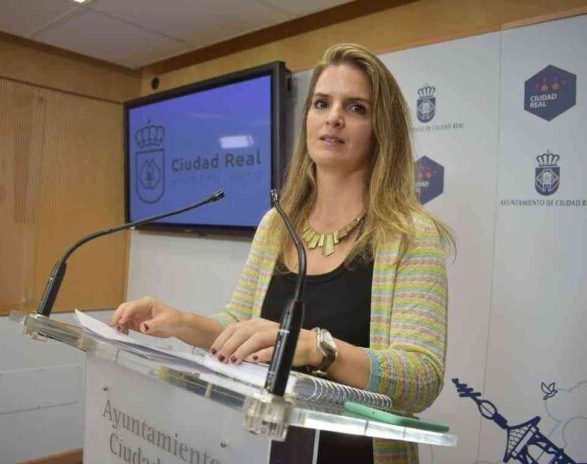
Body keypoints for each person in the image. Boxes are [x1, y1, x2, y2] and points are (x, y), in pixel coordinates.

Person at [111, 43, 453, 464]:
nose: (334, 117)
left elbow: (422, 379)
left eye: (356, 108)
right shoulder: (276, 224)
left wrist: (319, 348)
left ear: (382, 129)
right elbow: (240, 325)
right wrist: (180, 322)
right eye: (322, 103)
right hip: (263, 448)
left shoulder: (409, 234)